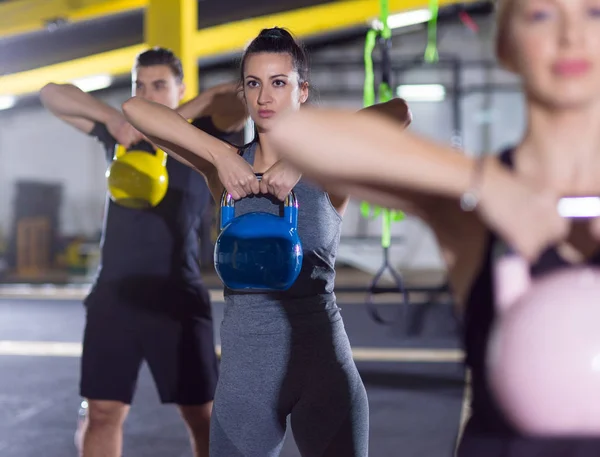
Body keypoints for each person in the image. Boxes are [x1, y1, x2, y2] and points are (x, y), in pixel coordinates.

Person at [267, 0, 600, 455]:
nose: (571, 35)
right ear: (505, 45)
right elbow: (296, 135)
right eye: (541, 15)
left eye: (594, 13)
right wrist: (487, 183)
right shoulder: (474, 206)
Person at [120, 27, 413, 457]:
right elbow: (134, 109)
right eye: (253, 84)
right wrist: (220, 154)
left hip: (321, 368)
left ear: (302, 91)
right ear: (243, 93)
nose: (264, 97)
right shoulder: (224, 170)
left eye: (279, 83)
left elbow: (398, 111)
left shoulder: (329, 165)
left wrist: (299, 159)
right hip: (245, 379)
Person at [39, 47, 247, 457]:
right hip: (113, 295)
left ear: (180, 88)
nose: (147, 94)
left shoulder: (204, 131)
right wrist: (114, 117)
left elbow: (239, 94)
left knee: (202, 416)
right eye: (139, 85)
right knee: (102, 412)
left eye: (159, 85)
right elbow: (51, 92)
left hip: (176, 297)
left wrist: (174, 116)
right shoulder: (121, 135)